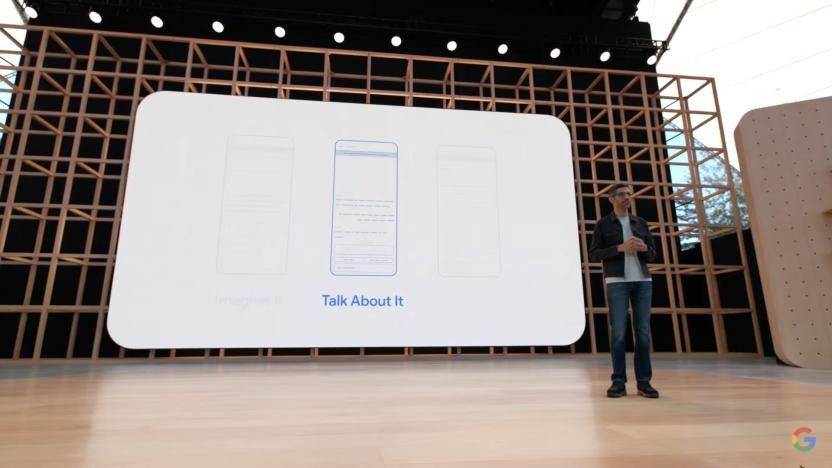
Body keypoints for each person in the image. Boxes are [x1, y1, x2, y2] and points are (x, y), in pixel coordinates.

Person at [588, 182, 660, 398]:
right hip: (617, 281)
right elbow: (594, 254)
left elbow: (653, 254)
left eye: (629, 194)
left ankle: (644, 383)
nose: (626, 197)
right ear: (611, 198)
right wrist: (619, 248)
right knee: (618, 333)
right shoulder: (603, 225)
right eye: (621, 194)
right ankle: (618, 382)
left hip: (643, 281)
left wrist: (644, 248)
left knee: (643, 333)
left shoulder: (641, 223)